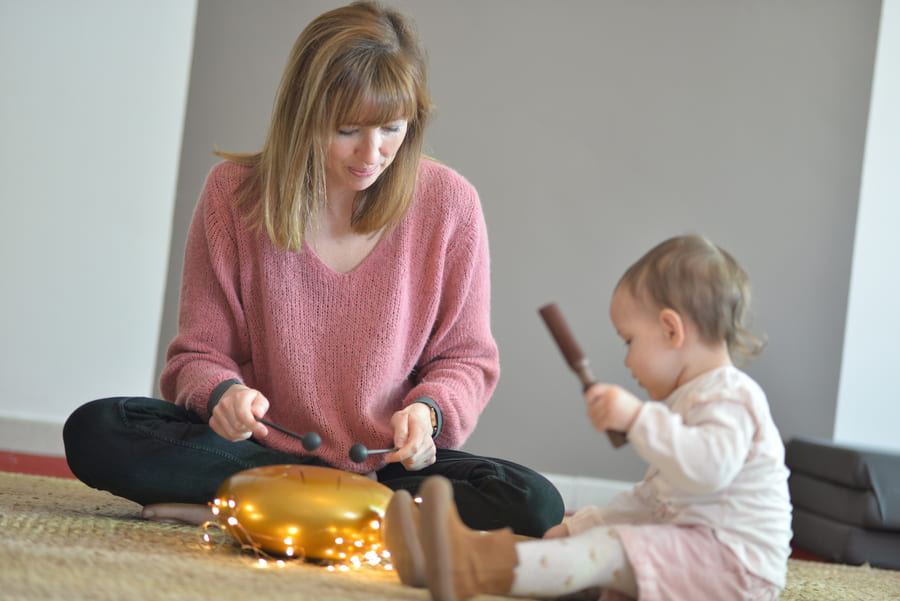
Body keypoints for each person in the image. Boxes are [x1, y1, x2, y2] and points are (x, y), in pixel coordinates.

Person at [63, 0, 562, 548]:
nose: (372, 154)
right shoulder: (232, 195)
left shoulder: (451, 205)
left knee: (534, 501)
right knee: (98, 430)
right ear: (305, 113)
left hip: (385, 468)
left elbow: (465, 359)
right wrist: (222, 395)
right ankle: (353, 519)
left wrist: (428, 414)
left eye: (391, 129)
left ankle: (249, 509)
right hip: (263, 452)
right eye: (347, 129)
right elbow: (198, 355)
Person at [384, 234, 793, 600]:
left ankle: (466, 567)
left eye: (629, 341)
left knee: (609, 553)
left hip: (735, 570)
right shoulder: (690, 404)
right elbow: (653, 502)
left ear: (672, 330)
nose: (627, 360)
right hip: (697, 554)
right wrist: (581, 526)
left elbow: (707, 470)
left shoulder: (731, 398)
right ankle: (454, 555)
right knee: (601, 564)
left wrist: (637, 418)